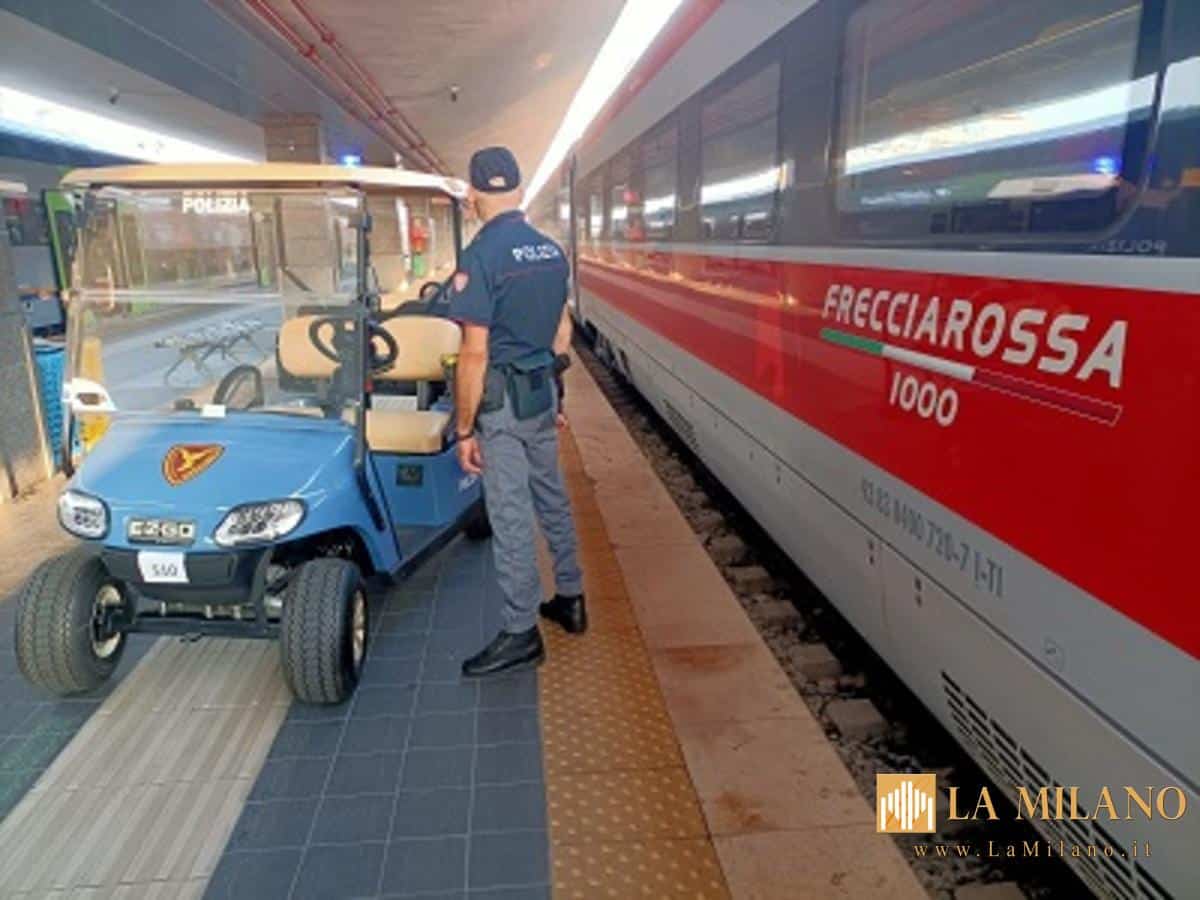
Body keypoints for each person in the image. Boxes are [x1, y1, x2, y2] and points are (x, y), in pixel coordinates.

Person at [449, 146, 586, 679]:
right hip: (540, 394)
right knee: (552, 496)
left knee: (509, 513)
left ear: (474, 193)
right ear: (522, 190)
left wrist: (464, 429)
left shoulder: (481, 256)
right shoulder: (550, 253)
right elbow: (561, 332)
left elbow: (474, 353)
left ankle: (520, 631)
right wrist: (554, 394)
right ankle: (571, 599)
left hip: (502, 404)